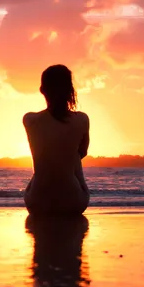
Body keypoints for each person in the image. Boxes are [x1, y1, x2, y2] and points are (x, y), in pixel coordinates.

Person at [22, 64, 90, 216]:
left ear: (42, 90)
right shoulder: (82, 119)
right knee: (73, 156)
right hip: (74, 204)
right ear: (70, 91)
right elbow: (83, 152)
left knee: (49, 156)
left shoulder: (29, 119)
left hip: (37, 204)